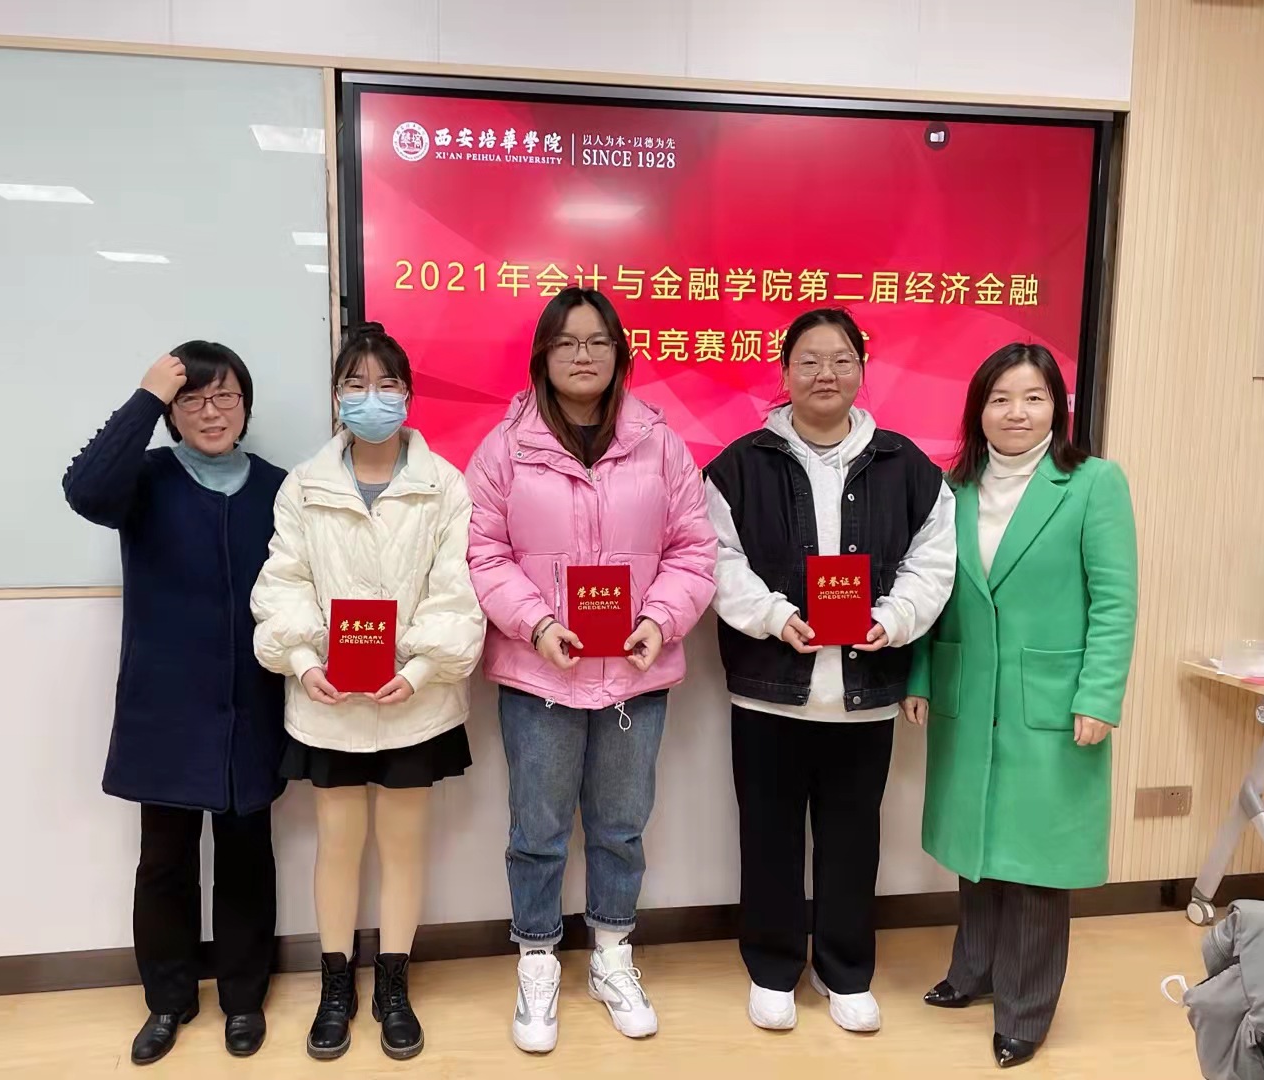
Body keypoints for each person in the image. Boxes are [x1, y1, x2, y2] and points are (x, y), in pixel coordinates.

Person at [465, 286, 716, 1054]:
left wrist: (658, 621)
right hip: (539, 673)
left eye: (598, 341)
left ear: (619, 354)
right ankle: (537, 959)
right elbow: (483, 552)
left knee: (620, 827)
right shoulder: (504, 448)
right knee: (536, 830)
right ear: (543, 354)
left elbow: (693, 549)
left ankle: (611, 954)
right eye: (567, 342)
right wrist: (536, 623)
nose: (583, 355)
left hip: (635, 674)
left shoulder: (661, 444)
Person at [702, 307, 956, 1036]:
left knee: (853, 839)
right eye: (809, 360)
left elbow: (933, 561)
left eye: (842, 359)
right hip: (769, 692)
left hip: (863, 695)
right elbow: (718, 560)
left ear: (861, 371)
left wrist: (894, 618)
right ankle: (773, 967)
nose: (826, 373)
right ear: (784, 371)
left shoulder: (906, 465)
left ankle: (845, 971)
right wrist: (774, 615)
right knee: (768, 837)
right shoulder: (740, 464)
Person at [250, 323, 485, 1062]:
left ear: (408, 396)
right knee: (338, 845)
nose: (371, 398)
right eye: (355, 384)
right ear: (335, 397)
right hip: (328, 701)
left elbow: (457, 592)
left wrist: (418, 670)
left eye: (386, 385)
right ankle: (335, 985)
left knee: (405, 847)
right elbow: (283, 582)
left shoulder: (445, 484)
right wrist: (301, 658)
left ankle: (393, 983)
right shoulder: (303, 485)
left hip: (415, 701)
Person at [903, 343, 1137, 1069]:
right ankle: (972, 971)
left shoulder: (1093, 483)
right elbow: (934, 593)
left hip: (1055, 703)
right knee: (977, 848)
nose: (1016, 412)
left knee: (1036, 861)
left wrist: (1099, 695)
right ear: (978, 409)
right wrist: (919, 675)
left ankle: (1025, 1011)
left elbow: (1115, 601)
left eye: (1033, 397)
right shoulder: (954, 488)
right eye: (1000, 398)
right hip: (969, 695)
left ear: (1057, 407)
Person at [62, 343, 286, 1065]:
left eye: (225, 398)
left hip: (251, 701)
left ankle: (244, 998)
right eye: (192, 400)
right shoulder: (145, 478)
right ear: (171, 412)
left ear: (245, 407)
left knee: (247, 854)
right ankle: (168, 999)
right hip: (166, 705)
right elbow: (84, 491)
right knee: (164, 859)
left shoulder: (279, 489)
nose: (211, 412)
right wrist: (145, 397)